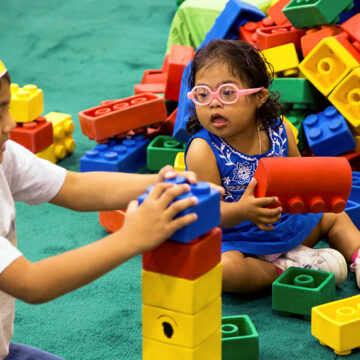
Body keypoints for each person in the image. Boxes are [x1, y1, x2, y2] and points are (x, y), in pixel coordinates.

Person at [0, 61, 224, 360]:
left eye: (6, 107)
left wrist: (158, 182)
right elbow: (32, 283)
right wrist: (131, 238)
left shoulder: (5, 157)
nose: (10, 123)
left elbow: (75, 187)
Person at [185, 39, 360, 294]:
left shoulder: (279, 129)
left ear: (258, 97)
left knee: (335, 217)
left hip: (286, 222)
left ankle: (356, 255)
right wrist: (242, 211)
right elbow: (207, 213)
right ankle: (285, 269)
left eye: (227, 93)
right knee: (224, 270)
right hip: (238, 239)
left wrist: (320, 186)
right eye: (203, 94)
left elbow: (301, 175)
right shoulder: (203, 150)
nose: (214, 103)